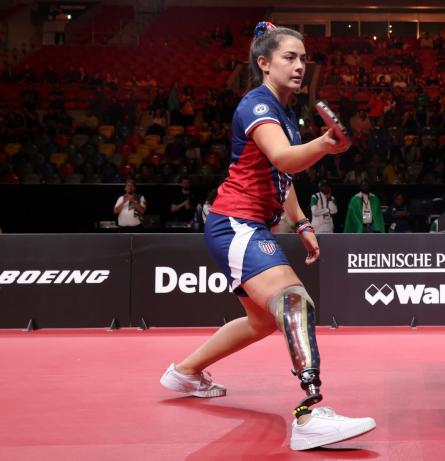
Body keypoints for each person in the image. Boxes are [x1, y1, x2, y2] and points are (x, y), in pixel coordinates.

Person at [158, 21, 375, 451]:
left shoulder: (286, 112)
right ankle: (309, 411)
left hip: (251, 224)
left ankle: (184, 372)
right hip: (235, 223)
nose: (299, 66)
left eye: (303, 58)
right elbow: (284, 158)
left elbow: (282, 177)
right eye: (289, 58)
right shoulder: (255, 105)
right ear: (264, 63)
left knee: (260, 321)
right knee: (294, 300)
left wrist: (303, 223)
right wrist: (325, 144)